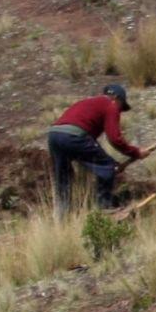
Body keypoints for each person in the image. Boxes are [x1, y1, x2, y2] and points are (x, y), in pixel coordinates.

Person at [48, 81, 145, 214]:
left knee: (63, 177)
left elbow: (86, 149)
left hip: (54, 135)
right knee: (108, 167)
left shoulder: (88, 102)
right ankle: (104, 208)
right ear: (117, 98)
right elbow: (115, 139)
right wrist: (136, 152)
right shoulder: (110, 105)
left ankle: (62, 216)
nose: (119, 111)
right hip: (74, 136)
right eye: (121, 107)